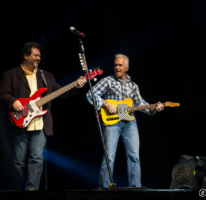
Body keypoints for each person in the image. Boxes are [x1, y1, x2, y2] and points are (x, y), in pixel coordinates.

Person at [0, 42, 87, 190]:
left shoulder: (46, 75)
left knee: (37, 158)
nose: (38, 58)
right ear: (25, 56)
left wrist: (75, 86)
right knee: (20, 161)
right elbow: (3, 93)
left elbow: (60, 91)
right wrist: (13, 102)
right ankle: (21, 189)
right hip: (20, 122)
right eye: (35, 55)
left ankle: (31, 190)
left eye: (39, 55)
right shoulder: (10, 74)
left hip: (40, 123)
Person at [86, 54, 164, 188]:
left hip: (129, 122)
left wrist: (155, 108)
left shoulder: (133, 85)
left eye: (120, 65)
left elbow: (141, 104)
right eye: (115, 65)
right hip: (111, 122)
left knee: (134, 155)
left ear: (127, 68)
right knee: (109, 156)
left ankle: (135, 187)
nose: (117, 67)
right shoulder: (107, 81)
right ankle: (104, 187)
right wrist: (104, 103)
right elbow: (90, 94)